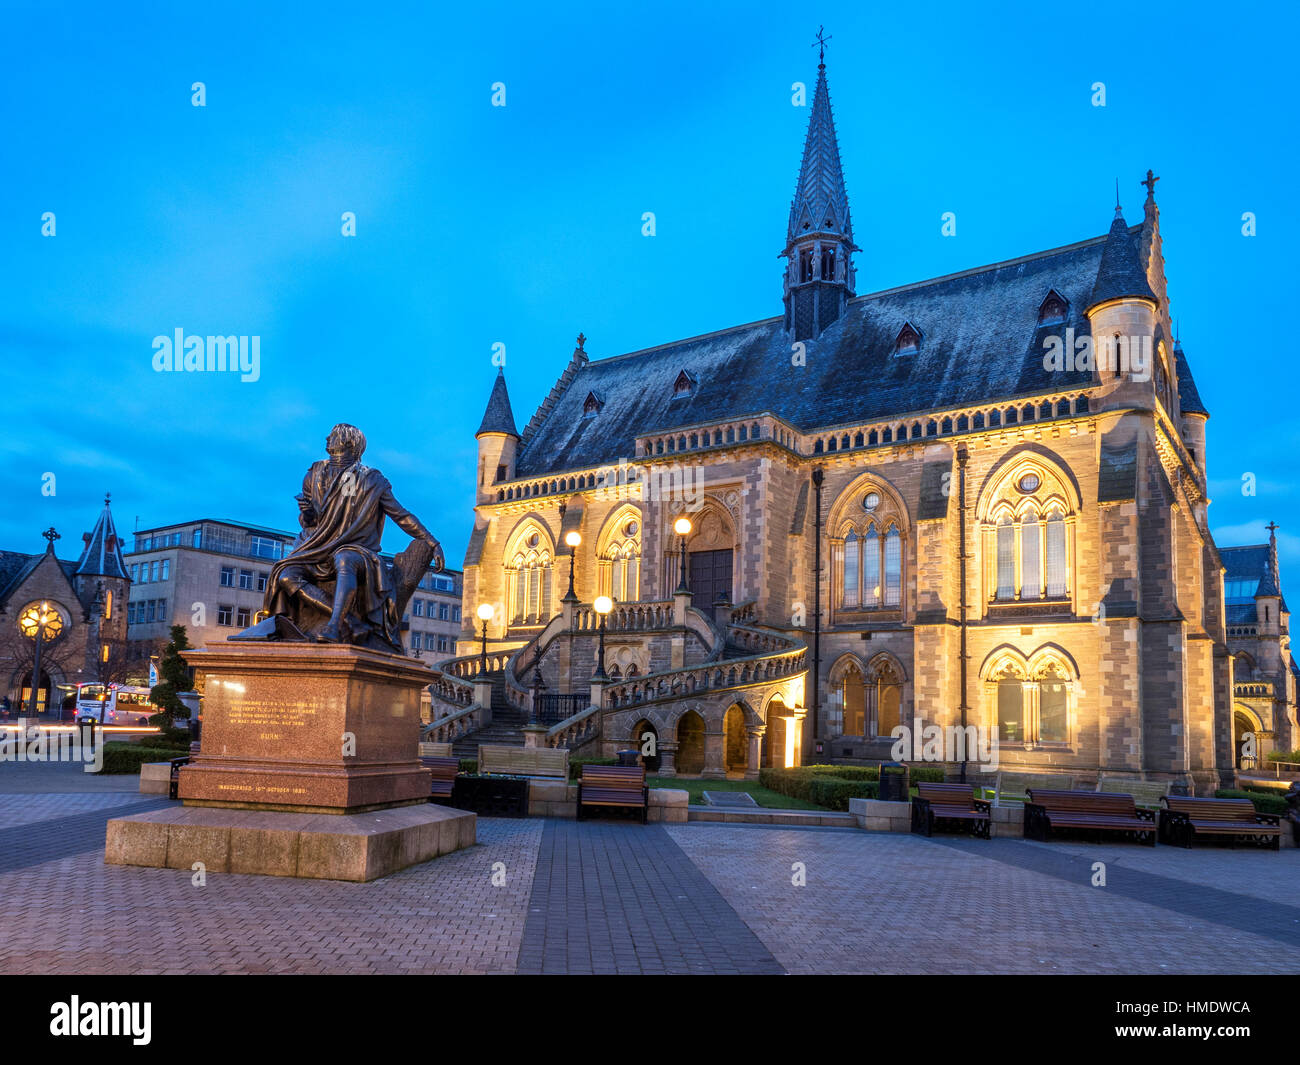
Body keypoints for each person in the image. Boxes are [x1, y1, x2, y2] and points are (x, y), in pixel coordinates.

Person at [263, 423, 444, 653]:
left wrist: (431, 541)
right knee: (286, 575)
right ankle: (352, 622)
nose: (328, 438)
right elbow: (311, 522)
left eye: (334, 436)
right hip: (317, 547)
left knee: (344, 558)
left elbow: (401, 515)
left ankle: (334, 627)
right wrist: (307, 512)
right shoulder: (314, 474)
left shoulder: (370, 479)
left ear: (348, 444)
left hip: (357, 549)